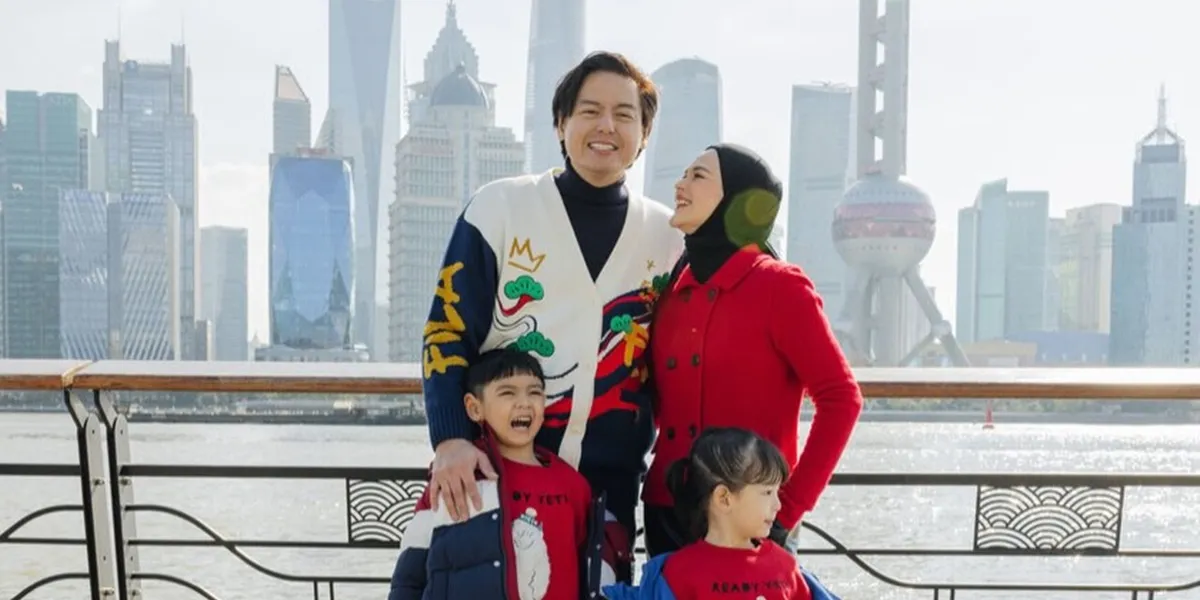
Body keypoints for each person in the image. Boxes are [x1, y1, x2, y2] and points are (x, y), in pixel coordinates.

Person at [419, 50, 683, 580]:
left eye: (624, 115)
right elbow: (447, 330)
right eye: (589, 111)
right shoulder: (499, 208)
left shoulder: (669, 237)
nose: (606, 126)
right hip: (490, 473)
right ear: (561, 124)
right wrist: (449, 438)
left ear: (644, 135)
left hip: (607, 491)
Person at [641, 143, 864, 556]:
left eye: (698, 175)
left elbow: (841, 399)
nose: (680, 184)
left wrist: (785, 513)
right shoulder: (670, 288)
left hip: (751, 522)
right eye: (684, 173)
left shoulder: (782, 288)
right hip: (666, 513)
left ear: (738, 200)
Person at [388, 348, 615, 599]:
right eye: (507, 392)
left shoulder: (572, 485)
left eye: (535, 392)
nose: (524, 402)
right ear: (475, 408)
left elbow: (590, 569)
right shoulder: (456, 476)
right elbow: (410, 571)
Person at [601, 428, 841, 600]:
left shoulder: (786, 567)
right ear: (724, 498)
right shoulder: (677, 574)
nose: (778, 505)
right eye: (767, 492)